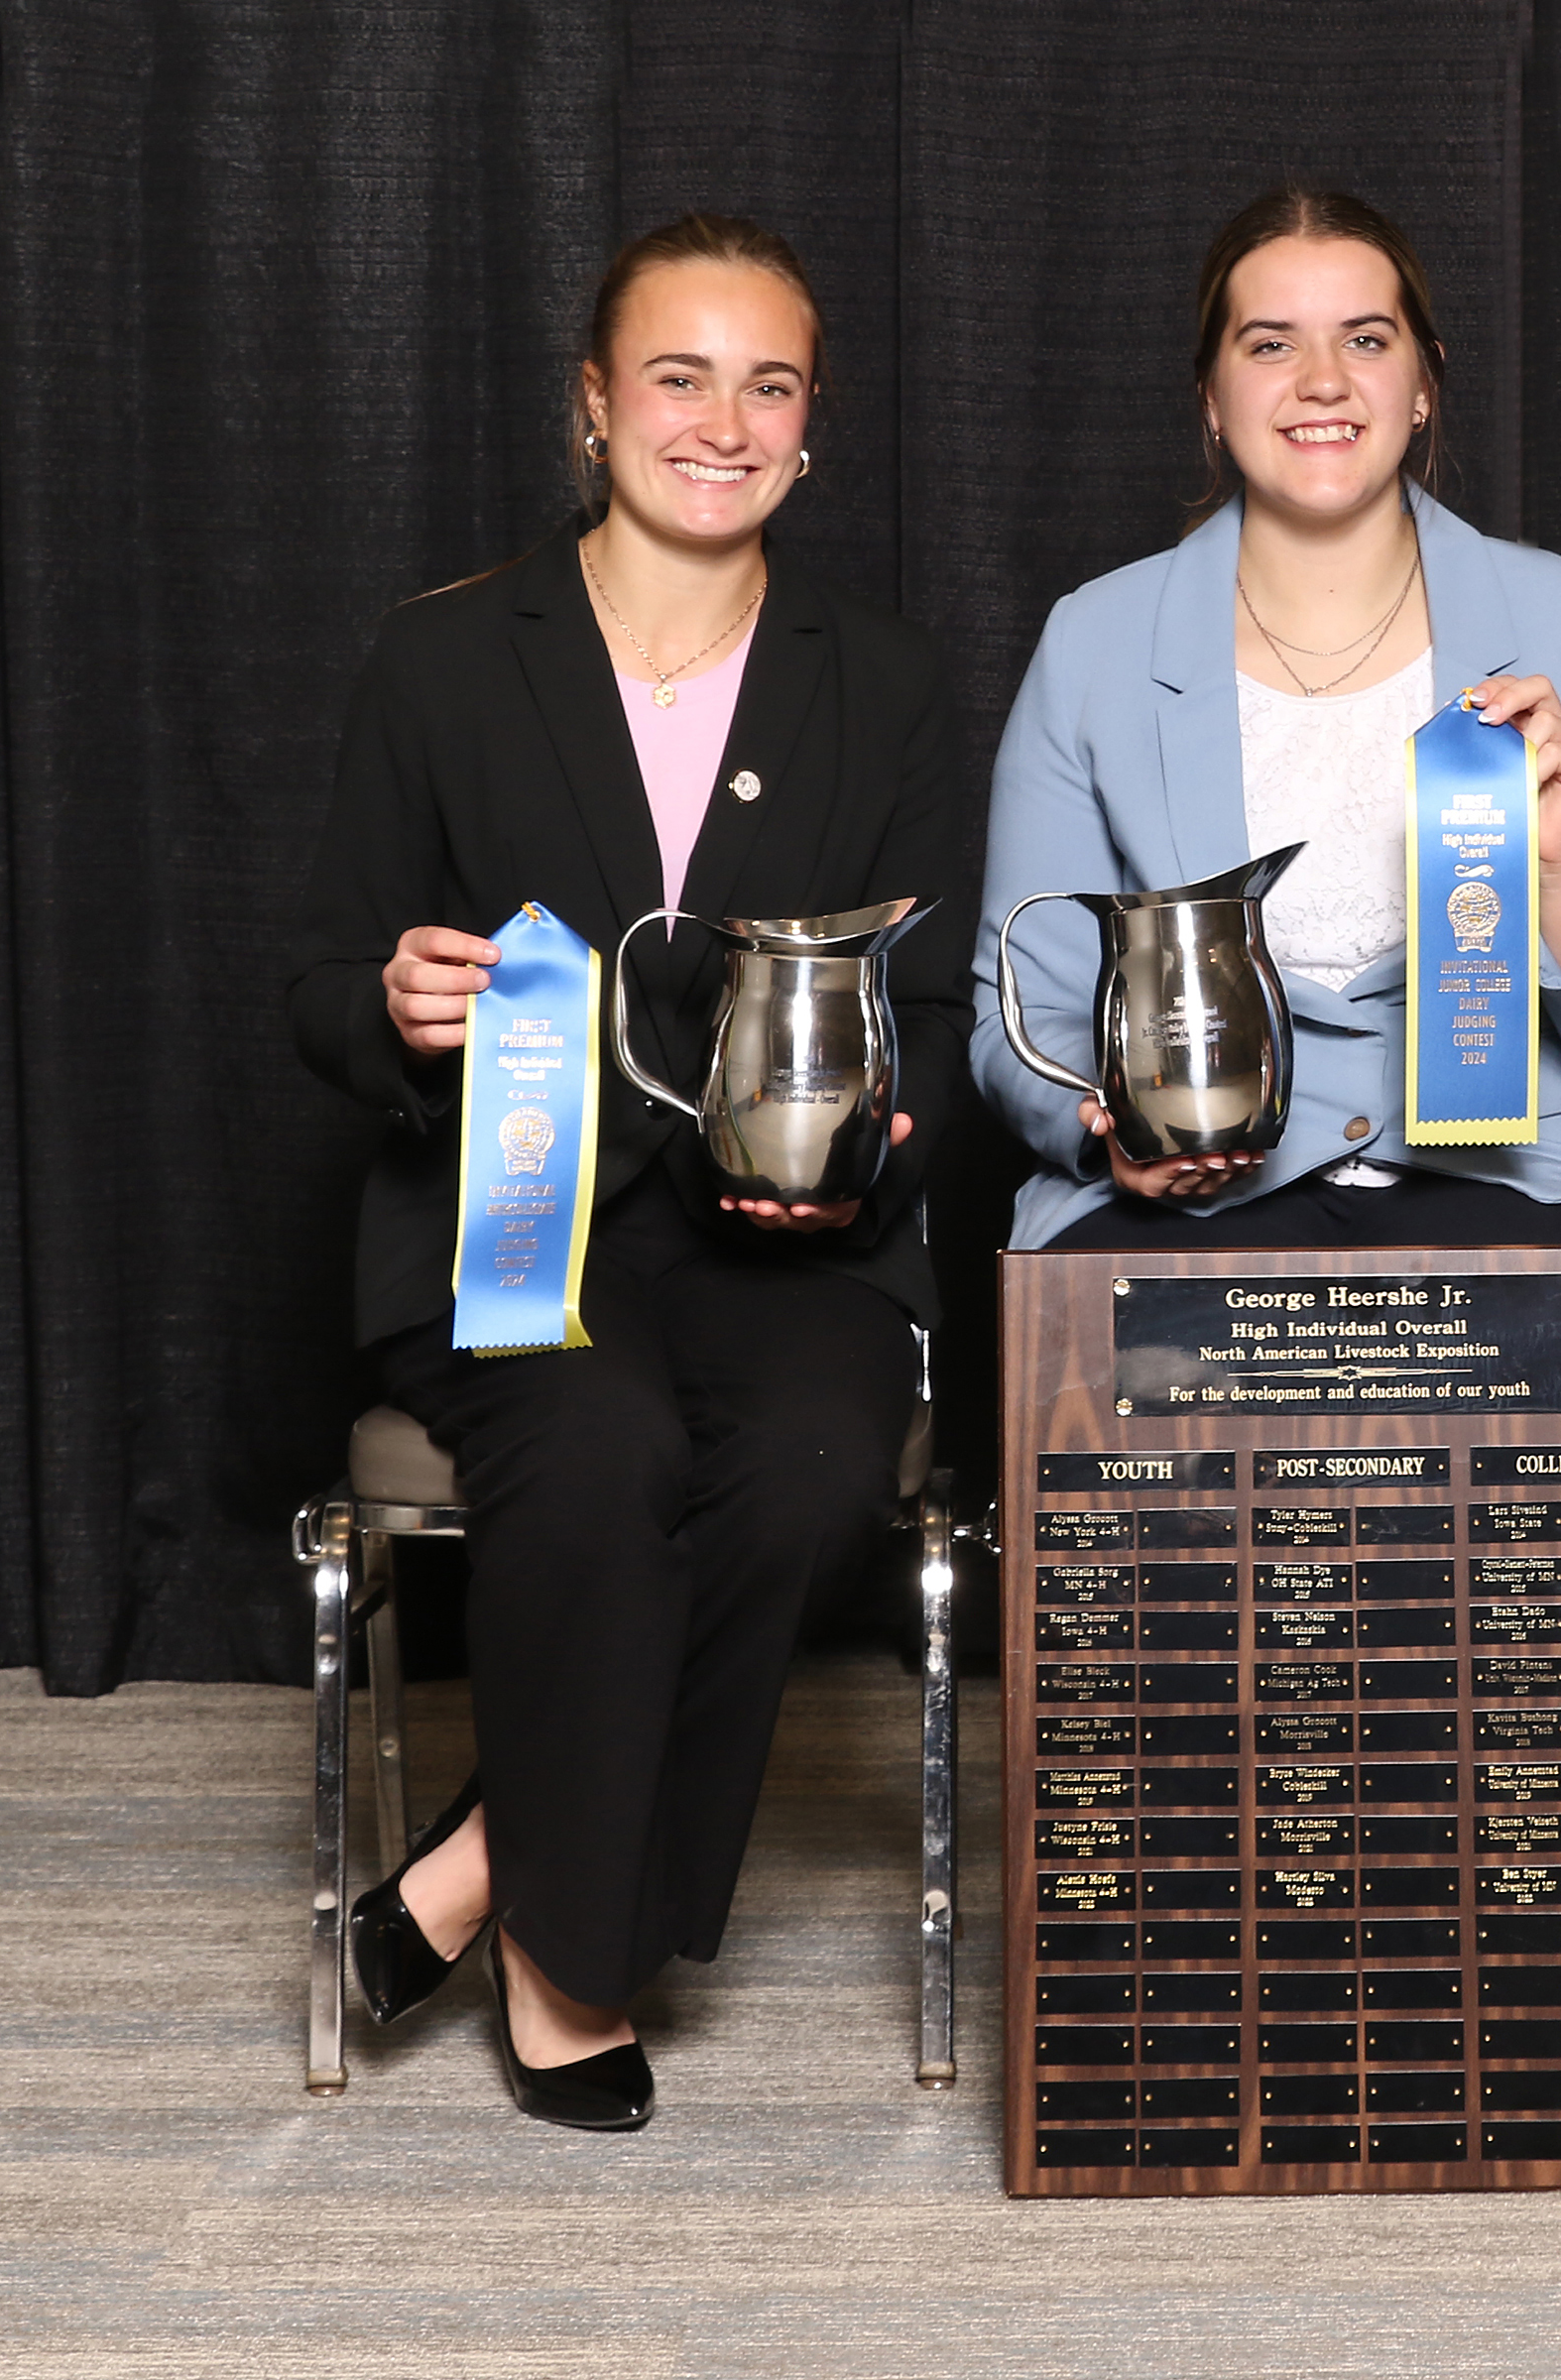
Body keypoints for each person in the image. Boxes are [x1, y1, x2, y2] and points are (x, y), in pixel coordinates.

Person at [288, 213, 966, 2131]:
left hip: (793, 1249)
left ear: (812, 429)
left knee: (823, 1463)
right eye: (679, 377)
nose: (723, 421)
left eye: (770, 386)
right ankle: (573, 1972)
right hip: (510, 1235)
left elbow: (920, 1002)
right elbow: (318, 981)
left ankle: (473, 1875)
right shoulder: (441, 662)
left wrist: (884, 1140)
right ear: (596, 408)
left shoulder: (888, 679)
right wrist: (393, 1004)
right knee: (598, 1450)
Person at [970, 185, 1561, 1251]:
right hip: (1199, 1196)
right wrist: (1102, 1127)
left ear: (1421, 385)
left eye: (1366, 338)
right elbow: (1017, 1008)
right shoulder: (1095, 641)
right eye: (1271, 344)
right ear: (1212, 400)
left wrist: (1559, 876)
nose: (1323, 380)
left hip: (1511, 1186)